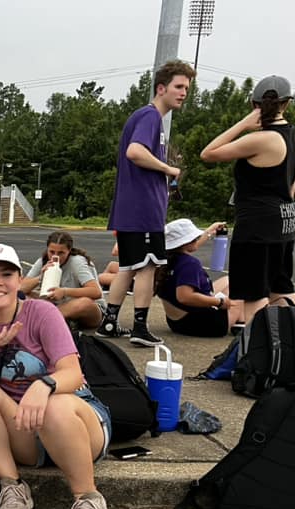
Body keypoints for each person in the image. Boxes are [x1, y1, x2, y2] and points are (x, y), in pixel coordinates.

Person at [0, 244, 112, 509]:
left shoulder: (42, 313)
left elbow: (73, 373)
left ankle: (88, 498)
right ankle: (12, 485)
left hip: (75, 420)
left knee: (53, 407)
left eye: (6, 273)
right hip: (26, 428)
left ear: (20, 279)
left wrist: (44, 385)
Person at [100, 60, 196, 347]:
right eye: (179, 87)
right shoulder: (150, 117)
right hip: (142, 210)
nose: (183, 93)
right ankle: (140, 328)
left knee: (128, 265)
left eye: (187, 88)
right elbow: (134, 151)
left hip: (133, 209)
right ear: (161, 88)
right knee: (148, 266)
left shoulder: (149, 118)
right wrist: (168, 169)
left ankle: (109, 321)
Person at [200, 75, 295, 323]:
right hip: (286, 220)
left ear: (254, 104)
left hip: (257, 224)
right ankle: (291, 345)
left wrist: (243, 125)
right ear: (286, 104)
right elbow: (291, 186)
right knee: (282, 288)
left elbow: (208, 153)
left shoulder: (260, 139)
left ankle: (259, 352)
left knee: (254, 293)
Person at [155, 219, 243, 337]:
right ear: (186, 243)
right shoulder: (190, 264)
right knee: (243, 285)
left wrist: (210, 230)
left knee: (229, 280)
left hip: (177, 321)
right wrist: (220, 302)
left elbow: (190, 246)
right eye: (194, 238)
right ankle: (241, 322)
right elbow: (184, 297)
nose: (197, 239)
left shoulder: (166, 259)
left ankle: (238, 319)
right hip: (205, 325)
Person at [20, 231, 105, 329]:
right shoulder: (43, 261)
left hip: (89, 311)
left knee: (84, 303)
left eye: (61, 253)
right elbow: (21, 288)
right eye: (52, 252)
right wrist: (41, 277)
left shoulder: (77, 262)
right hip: (58, 306)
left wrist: (64, 291)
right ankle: (58, 320)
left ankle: (43, 320)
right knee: (23, 295)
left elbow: (96, 292)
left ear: (69, 251)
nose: (55, 256)